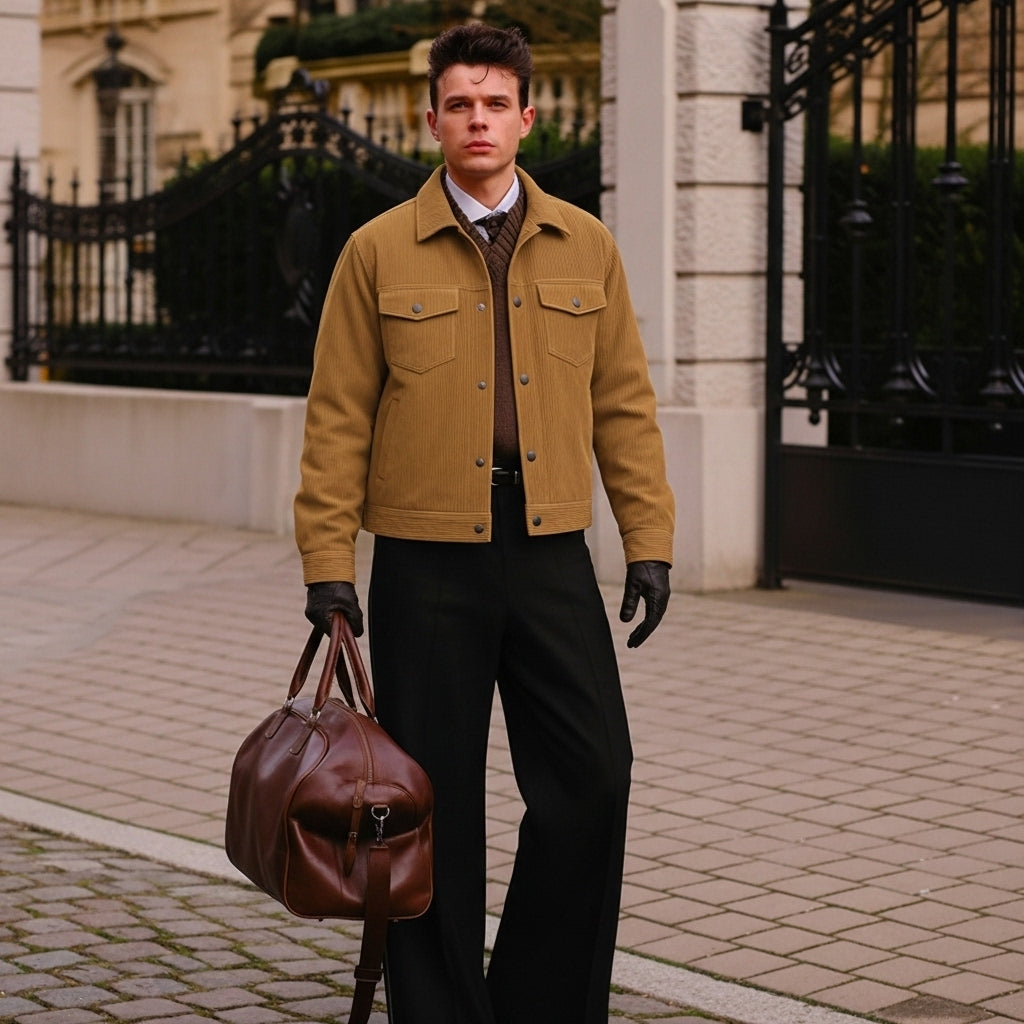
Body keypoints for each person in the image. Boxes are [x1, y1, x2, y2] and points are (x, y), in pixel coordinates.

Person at [294, 22, 674, 1024]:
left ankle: (541, 1002)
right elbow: (337, 418)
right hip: (424, 563)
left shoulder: (586, 244)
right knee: (431, 805)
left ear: (526, 118)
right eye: (459, 103)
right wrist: (328, 566)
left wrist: (649, 541)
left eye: (495, 103)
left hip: (548, 550)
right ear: (432, 120)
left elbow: (623, 407)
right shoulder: (376, 250)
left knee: (594, 775)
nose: (477, 119)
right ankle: (441, 1011)